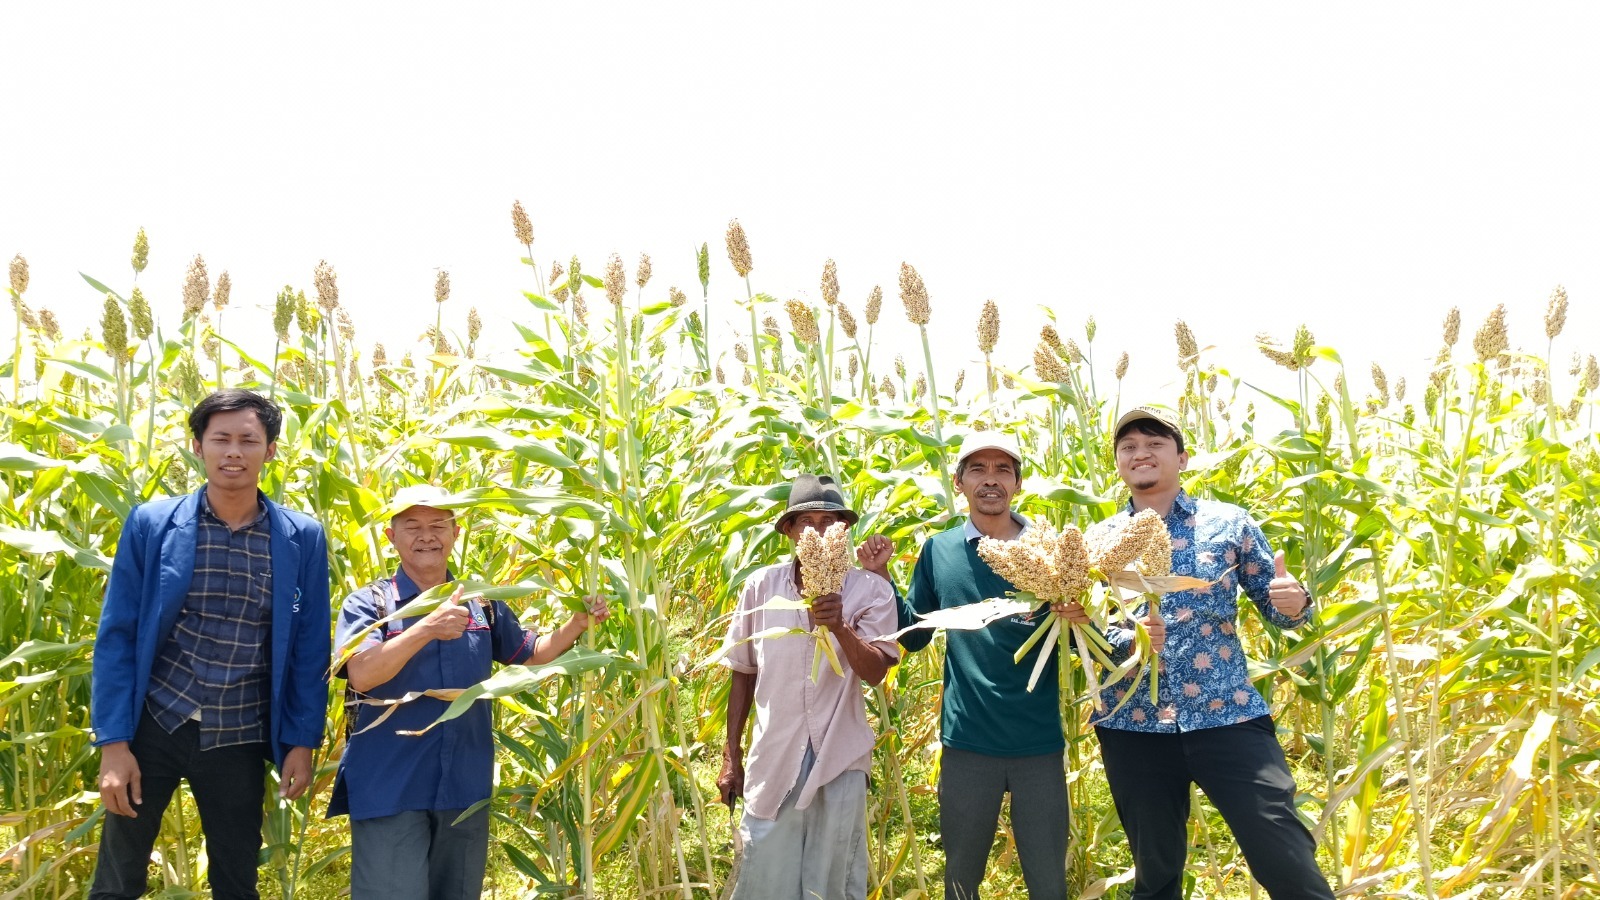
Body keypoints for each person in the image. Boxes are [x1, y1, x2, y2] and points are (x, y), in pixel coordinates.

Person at [1074, 405, 1335, 899]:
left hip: (1227, 716)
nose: (1140, 454)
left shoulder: (1229, 524)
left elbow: (1279, 608)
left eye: (1155, 443)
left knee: (1283, 853)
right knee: (1156, 871)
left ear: (1183, 458)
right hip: (1134, 724)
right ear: (1118, 464)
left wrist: (1295, 602)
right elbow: (1086, 633)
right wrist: (1126, 643)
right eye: (1128, 447)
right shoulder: (1098, 542)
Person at [89, 389, 331, 900]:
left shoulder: (301, 537)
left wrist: (302, 742)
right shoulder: (152, 524)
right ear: (197, 447)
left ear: (271, 451)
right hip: (154, 724)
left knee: (236, 878)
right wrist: (113, 745)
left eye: (249, 440)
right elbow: (118, 635)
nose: (234, 452)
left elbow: (310, 648)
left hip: (239, 733)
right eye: (220, 439)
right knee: (118, 874)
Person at [328, 484, 608, 900]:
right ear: (391, 537)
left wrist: (577, 625)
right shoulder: (370, 604)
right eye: (413, 526)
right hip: (391, 786)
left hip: (463, 784)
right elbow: (363, 674)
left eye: (439, 525)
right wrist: (426, 628)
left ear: (456, 533)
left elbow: (530, 656)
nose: (427, 535)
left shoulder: (483, 603)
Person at [893, 431, 1083, 900]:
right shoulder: (939, 550)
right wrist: (879, 581)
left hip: (1037, 743)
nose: (991, 480)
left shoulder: (1052, 550)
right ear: (959, 483)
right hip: (968, 744)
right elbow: (915, 634)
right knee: (960, 879)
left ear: (1018, 484)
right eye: (978, 469)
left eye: (1003, 470)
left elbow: (1086, 639)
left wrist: (1085, 620)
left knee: (1048, 881)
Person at [716, 474, 900, 900]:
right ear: (789, 533)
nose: (816, 531)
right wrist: (731, 755)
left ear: (844, 532)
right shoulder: (760, 588)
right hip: (774, 756)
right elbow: (743, 672)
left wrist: (838, 627)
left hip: (839, 757)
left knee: (831, 879)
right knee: (765, 873)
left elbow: (875, 672)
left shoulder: (870, 589)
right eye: (805, 523)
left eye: (828, 522)